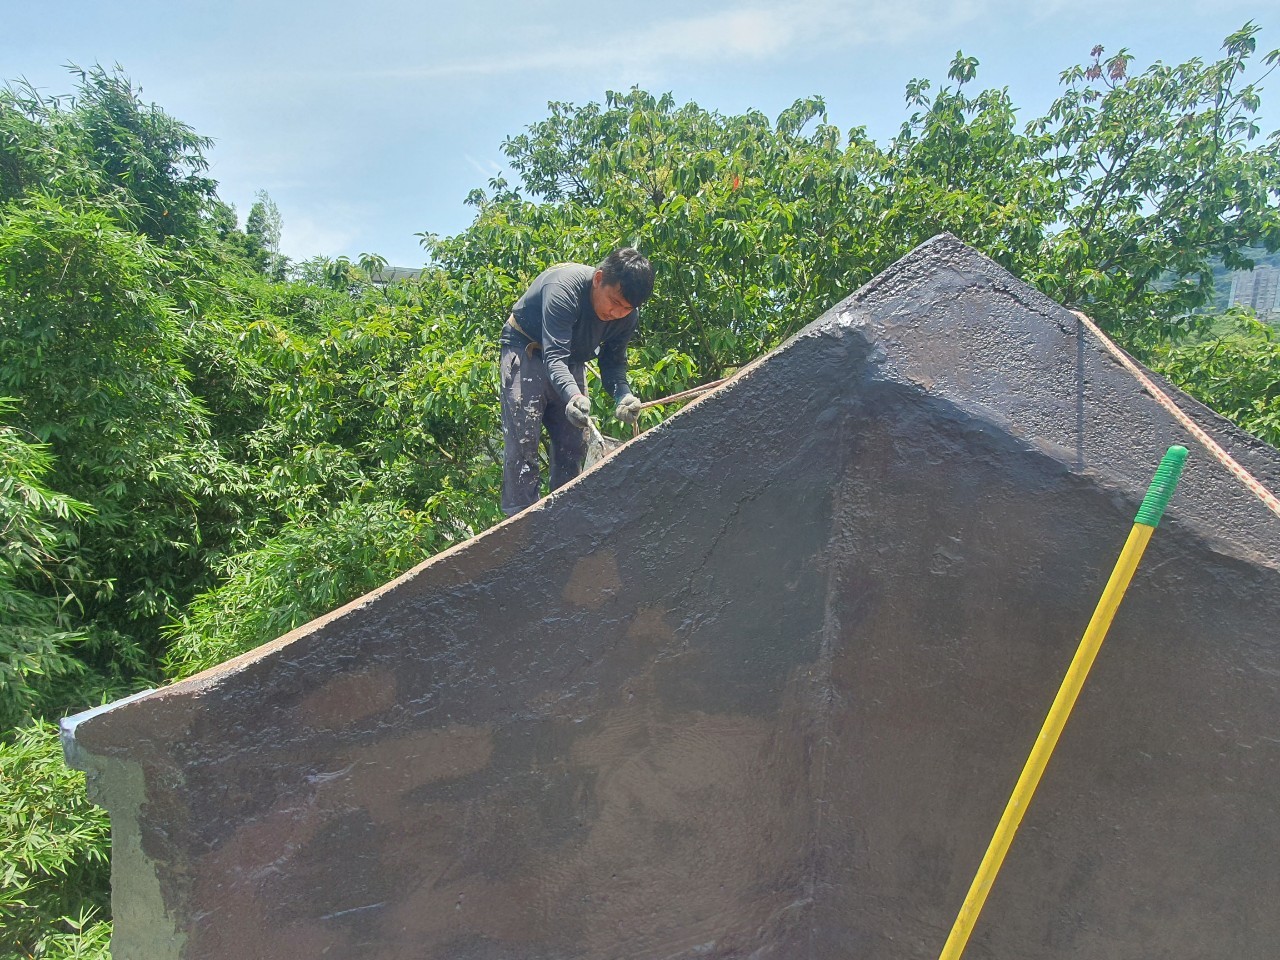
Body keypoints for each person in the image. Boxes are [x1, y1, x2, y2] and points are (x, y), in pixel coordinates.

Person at [500, 247, 655, 516]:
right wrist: (573, 396)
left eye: (626, 308)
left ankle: (565, 517)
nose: (616, 313)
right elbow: (554, 356)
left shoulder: (627, 315)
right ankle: (520, 523)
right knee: (523, 445)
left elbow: (614, 362)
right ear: (598, 279)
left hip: (570, 361)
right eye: (614, 302)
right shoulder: (564, 289)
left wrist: (623, 396)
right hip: (527, 349)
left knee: (574, 443)